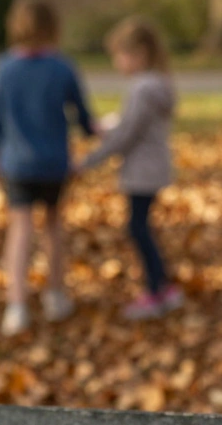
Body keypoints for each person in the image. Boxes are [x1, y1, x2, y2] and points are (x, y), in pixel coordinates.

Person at [0, 0, 95, 336]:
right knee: (52, 226)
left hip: (17, 162)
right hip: (53, 162)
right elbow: (84, 119)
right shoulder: (62, 67)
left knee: (19, 229)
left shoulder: (4, 68)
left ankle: (16, 305)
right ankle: (55, 294)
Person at [77, 17, 183, 320]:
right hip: (152, 167)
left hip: (142, 171)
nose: (116, 62)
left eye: (119, 55)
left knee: (137, 229)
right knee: (142, 228)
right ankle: (163, 286)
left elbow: (127, 134)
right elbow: (132, 124)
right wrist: (109, 126)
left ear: (138, 53)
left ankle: (155, 291)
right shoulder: (158, 84)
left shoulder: (142, 88)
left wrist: (89, 161)